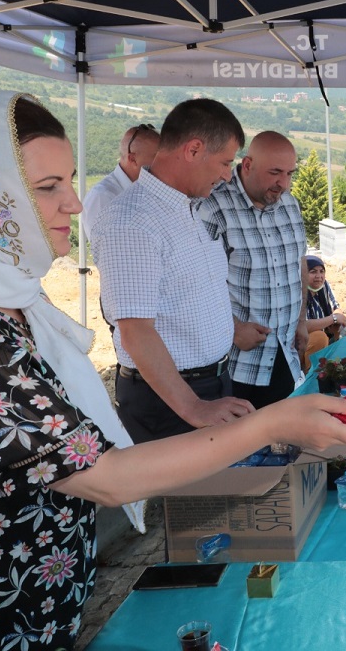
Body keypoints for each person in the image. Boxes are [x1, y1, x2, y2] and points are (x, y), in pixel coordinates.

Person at [0, 92, 346, 651]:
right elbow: (103, 475)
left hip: (19, 601)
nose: (76, 204)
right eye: (46, 187)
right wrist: (270, 424)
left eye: (68, 180)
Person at [93, 99, 256, 442]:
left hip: (207, 385)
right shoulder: (132, 222)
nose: (228, 175)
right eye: (225, 162)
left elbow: (188, 293)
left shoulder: (188, 207)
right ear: (194, 149)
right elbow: (136, 331)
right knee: (184, 497)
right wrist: (194, 407)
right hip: (170, 401)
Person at [199, 131, 308, 409]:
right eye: (275, 173)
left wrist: (302, 320)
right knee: (242, 450)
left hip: (285, 355)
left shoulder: (290, 204)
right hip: (237, 366)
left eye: (289, 173)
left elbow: (300, 263)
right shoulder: (212, 208)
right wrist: (233, 330)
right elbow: (195, 285)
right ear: (247, 165)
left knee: (283, 445)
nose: (283, 183)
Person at [80, 122, 160, 243]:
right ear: (133, 159)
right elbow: (106, 250)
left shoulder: (149, 190)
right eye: (156, 158)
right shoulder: (102, 197)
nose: (163, 165)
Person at [301, 254, 346, 372]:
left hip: (326, 332)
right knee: (319, 337)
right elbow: (303, 325)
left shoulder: (323, 286)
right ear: (303, 274)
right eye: (313, 271)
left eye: (321, 271)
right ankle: (312, 373)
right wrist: (333, 319)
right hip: (302, 342)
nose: (318, 276)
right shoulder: (299, 292)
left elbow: (336, 307)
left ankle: (339, 363)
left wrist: (339, 318)